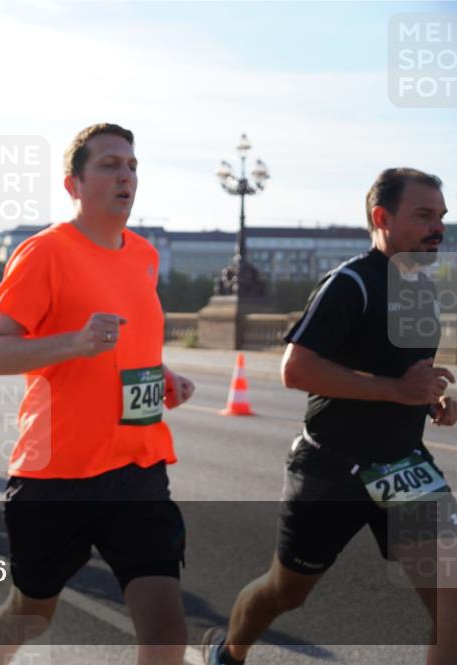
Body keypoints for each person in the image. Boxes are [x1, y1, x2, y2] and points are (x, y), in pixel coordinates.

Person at [203, 168, 457, 665]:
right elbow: (296, 369)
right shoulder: (350, 283)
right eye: (424, 215)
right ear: (381, 218)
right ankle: (229, 652)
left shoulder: (423, 290)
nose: (439, 227)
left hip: (403, 467)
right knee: (285, 591)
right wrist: (394, 389)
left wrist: (431, 395)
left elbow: (400, 372)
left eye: (442, 216)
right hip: (331, 469)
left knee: (451, 598)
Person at [0, 124, 196, 665]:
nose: (126, 176)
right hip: (56, 476)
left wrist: (160, 372)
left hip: (137, 468)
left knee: (166, 631)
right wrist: (73, 343)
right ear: (73, 184)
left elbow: (124, 336)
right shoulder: (44, 253)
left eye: (132, 166)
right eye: (110, 165)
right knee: (30, 613)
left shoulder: (143, 254)